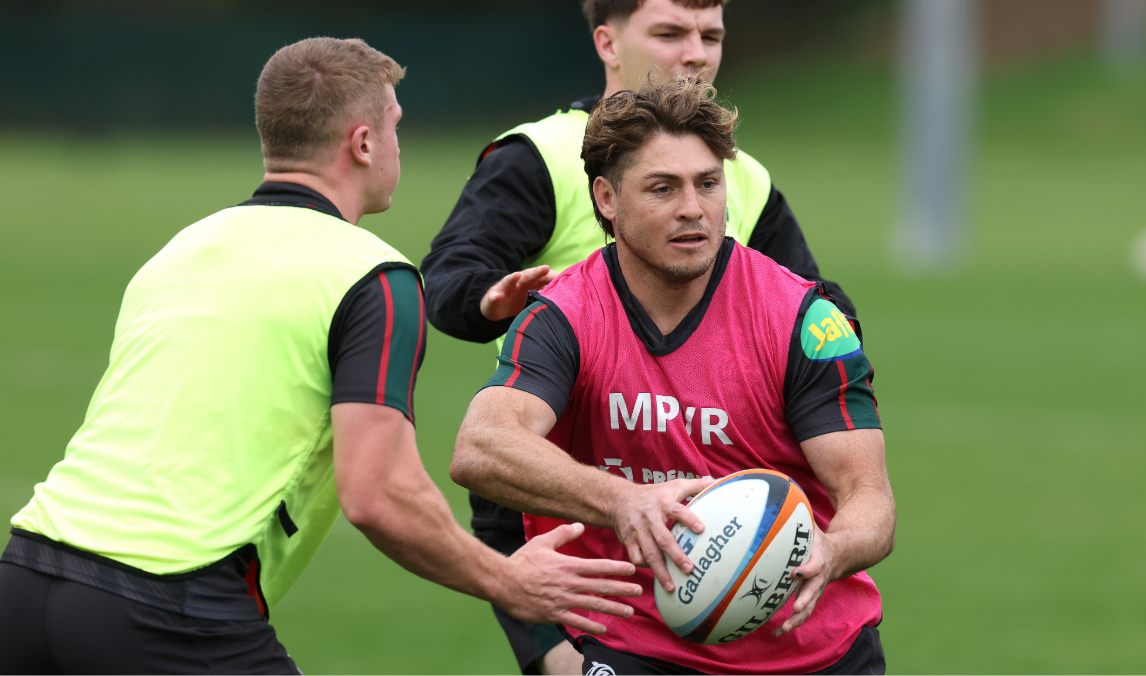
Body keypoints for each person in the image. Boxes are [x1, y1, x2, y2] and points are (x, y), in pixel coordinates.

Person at [0, 37, 641, 674]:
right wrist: (510, 581)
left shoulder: (181, 248)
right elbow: (379, 494)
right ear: (363, 144)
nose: (398, 145)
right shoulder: (374, 276)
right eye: (394, 126)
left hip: (26, 577)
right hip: (168, 604)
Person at [421, 1, 858, 671]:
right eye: (670, 33)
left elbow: (818, 308)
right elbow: (449, 276)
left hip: (701, 490)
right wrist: (488, 301)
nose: (696, 53)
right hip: (555, 486)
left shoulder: (740, 174)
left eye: (711, 35)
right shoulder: (542, 155)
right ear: (607, 42)